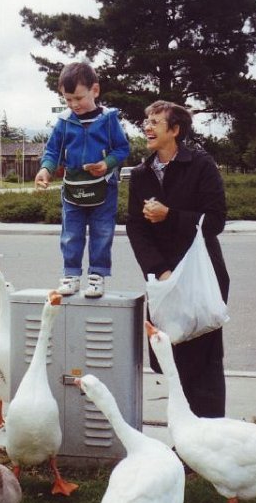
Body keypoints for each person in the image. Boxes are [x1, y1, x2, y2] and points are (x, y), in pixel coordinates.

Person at [126, 100, 230, 418]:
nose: (147, 127)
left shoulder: (200, 165)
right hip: (163, 279)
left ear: (175, 130)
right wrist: (158, 270)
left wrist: (169, 215)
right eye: (147, 120)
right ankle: (185, 438)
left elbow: (216, 221)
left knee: (205, 361)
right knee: (170, 359)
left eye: (156, 121)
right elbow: (135, 227)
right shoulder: (141, 174)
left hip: (201, 276)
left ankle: (210, 435)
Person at [35, 62, 130, 298]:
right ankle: (71, 274)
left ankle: (97, 275)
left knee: (102, 232)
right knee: (71, 233)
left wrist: (106, 164)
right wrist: (46, 170)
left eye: (78, 98)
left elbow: (122, 149)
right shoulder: (65, 121)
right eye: (67, 100)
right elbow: (52, 151)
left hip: (104, 187)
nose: (74, 105)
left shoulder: (108, 120)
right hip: (72, 188)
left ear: (95, 90)